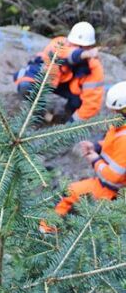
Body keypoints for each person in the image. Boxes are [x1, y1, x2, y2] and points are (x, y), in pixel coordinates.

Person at [39, 81, 126, 233]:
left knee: (66, 193)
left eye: (116, 112)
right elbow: (113, 144)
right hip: (108, 185)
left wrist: (94, 160)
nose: (112, 115)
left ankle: (46, 233)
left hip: (111, 190)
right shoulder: (120, 128)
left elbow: (115, 177)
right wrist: (96, 146)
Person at [13, 21, 104, 122]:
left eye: (81, 47)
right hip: (48, 80)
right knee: (26, 86)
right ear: (69, 41)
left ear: (89, 47)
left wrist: (72, 126)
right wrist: (83, 54)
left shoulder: (94, 67)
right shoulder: (59, 44)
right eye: (74, 44)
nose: (77, 48)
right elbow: (67, 54)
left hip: (70, 89)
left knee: (78, 103)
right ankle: (43, 114)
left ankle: (66, 117)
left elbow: (91, 103)